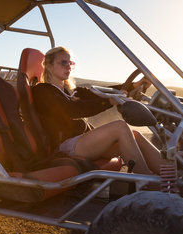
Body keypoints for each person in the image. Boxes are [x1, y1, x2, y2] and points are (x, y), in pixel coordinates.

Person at [32, 46, 163, 175]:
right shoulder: (42, 91)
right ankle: (149, 182)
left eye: (70, 63)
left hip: (81, 142)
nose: (68, 67)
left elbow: (99, 93)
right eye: (64, 62)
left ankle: (171, 179)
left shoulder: (69, 91)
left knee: (136, 136)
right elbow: (72, 110)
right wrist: (109, 101)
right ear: (49, 65)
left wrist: (134, 85)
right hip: (65, 146)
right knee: (120, 126)